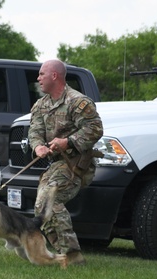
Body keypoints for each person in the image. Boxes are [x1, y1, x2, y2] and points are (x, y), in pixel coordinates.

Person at [28, 59, 103, 266]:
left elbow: (95, 129)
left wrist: (67, 142)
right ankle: (65, 253)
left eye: (42, 74)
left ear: (54, 76)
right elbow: (34, 132)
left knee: (50, 200)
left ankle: (72, 256)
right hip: (56, 165)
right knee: (40, 206)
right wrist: (38, 147)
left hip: (76, 164)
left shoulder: (78, 102)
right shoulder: (40, 105)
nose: (38, 78)